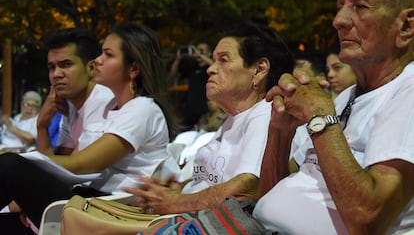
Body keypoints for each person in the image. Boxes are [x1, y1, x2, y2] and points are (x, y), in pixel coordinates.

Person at [254, 0, 414, 234]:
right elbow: (273, 194)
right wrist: (280, 132)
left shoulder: (407, 94)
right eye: (340, 7)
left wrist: (319, 114)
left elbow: (367, 218)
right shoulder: (346, 98)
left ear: (406, 27)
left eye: (360, 6)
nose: (338, 21)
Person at [0, 22, 178, 234]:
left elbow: (83, 165)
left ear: (133, 69)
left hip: (110, 207)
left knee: (10, 165)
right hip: (87, 197)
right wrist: (41, 126)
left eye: (108, 55)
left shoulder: (142, 109)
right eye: (51, 67)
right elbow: (59, 167)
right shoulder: (110, 107)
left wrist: (22, 161)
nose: (97, 61)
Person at [124, 22, 295, 217]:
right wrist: (177, 189)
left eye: (223, 60)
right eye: (214, 60)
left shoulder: (266, 114)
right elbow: (214, 181)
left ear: (259, 70)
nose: (210, 69)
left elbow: (249, 187)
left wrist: (175, 202)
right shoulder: (236, 118)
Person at [169, 41, 213, 130]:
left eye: (202, 51)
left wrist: (200, 55)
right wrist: (178, 59)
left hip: (205, 109)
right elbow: (172, 74)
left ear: (209, 53)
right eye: (196, 50)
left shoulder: (210, 68)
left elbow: (217, 67)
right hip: (190, 108)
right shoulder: (192, 67)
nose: (197, 53)